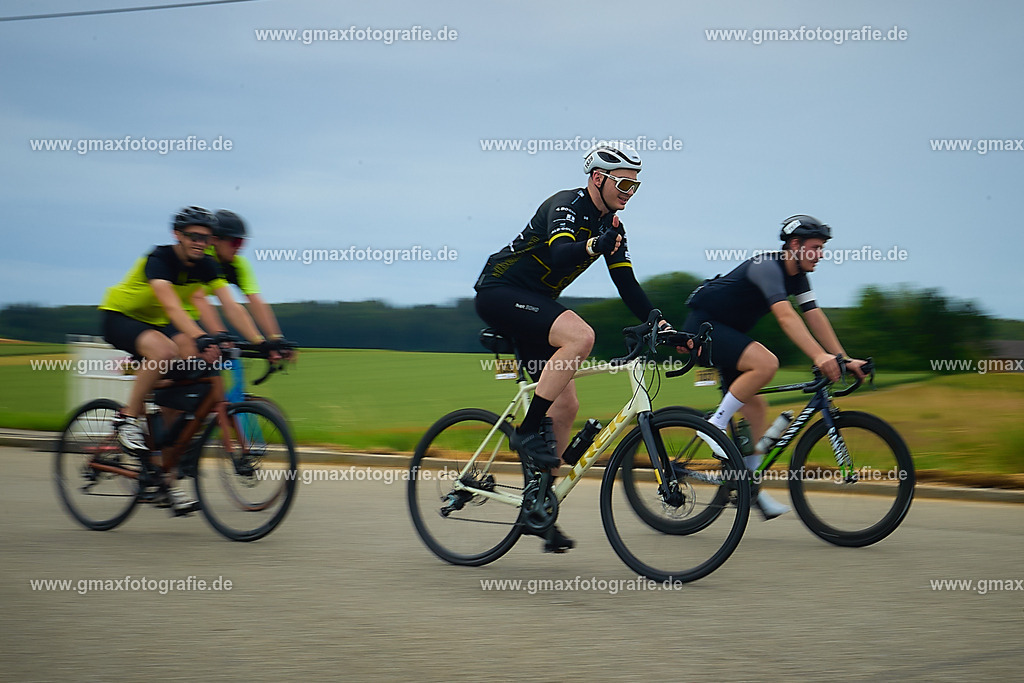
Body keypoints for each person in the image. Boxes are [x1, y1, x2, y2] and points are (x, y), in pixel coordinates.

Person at [474, 144, 674, 552]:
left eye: (636, 186)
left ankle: (538, 508)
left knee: (565, 407)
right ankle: (527, 430)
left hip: (535, 306)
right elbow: (560, 254)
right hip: (500, 292)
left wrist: (663, 324)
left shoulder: (613, 227)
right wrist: (594, 245)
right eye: (623, 183)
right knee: (581, 336)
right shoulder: (567, 206)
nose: (629, 192)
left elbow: (626, 284)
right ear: (598, 178)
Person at [682, 215, 867, 519]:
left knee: (756, 408)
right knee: (767, 363)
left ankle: (749, 486)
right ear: (795, 245)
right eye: (816, 247)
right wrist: (820, 357)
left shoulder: (799, 276)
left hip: (730, 336)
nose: (821, 254)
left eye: (822, 248)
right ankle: (713, 426)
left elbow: (814, 316)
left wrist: (842, 358)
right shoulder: (766, 266)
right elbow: (786, 317)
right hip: (704, 329)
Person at [98, 206, 269, 514]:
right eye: (193, 236)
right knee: (164, 352)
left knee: (185, 390)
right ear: (177, 235)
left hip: (157, 323)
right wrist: (203, 336)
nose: (200, 243)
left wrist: (262, 342)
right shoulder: (160, 258)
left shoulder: (206, 266)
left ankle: (165, 479)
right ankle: (128, 420)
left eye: (206, 238)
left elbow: (232, 306)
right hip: (122, 317)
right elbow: (173, 308)